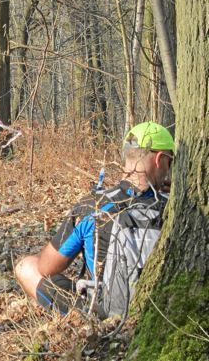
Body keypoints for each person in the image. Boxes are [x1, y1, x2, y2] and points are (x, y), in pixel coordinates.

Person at [14, 122, 174, 317]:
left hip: (104, 314)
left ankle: (83, 319)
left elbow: (46, 267)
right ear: (159, 159)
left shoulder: (93, 205)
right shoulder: (176, 207)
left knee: (25, 267)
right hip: (163, 313)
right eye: (170, 162)